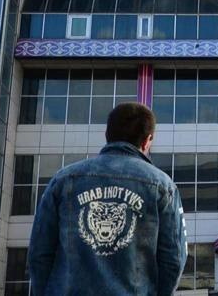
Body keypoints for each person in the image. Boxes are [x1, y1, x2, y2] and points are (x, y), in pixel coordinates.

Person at [28, 102, 187, 296]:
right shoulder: (163, 186)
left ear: (107, 135)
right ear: (147, 141)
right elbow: (174, 259)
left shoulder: (63, 180)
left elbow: (39, 253)